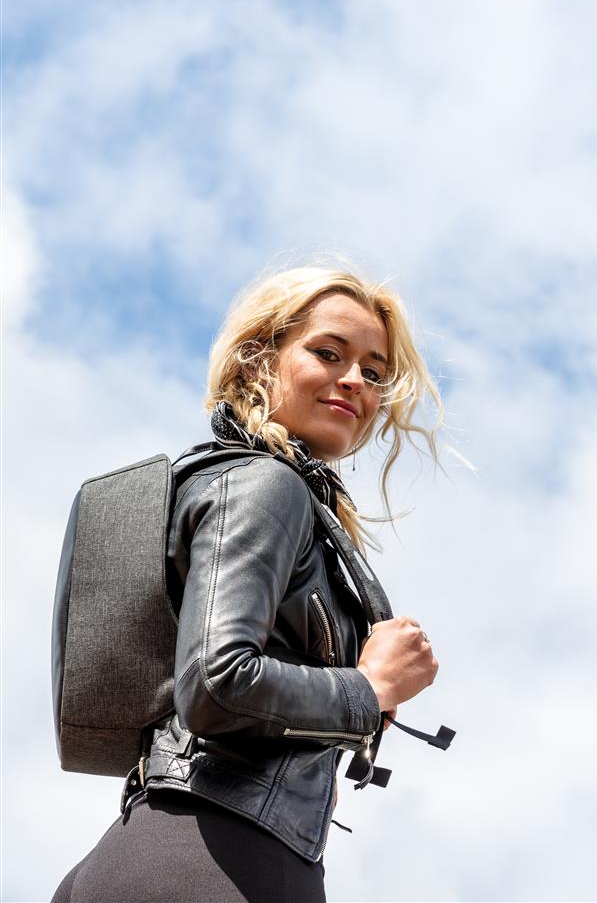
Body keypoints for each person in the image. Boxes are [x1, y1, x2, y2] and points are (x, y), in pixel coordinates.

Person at [51, 264, 443, 903]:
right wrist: (368, 688)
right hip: (217, 859)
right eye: (328, 353)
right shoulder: (267, 484)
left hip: (167, 850)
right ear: (258, 361)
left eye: (374, 373)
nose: (355, 380)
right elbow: (217, 684)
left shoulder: (246, 486)